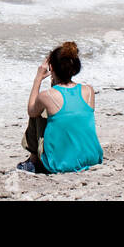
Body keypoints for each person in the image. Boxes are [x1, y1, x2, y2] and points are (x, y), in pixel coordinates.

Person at [18, 42, 103, 173]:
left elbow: (31, 110)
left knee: (37, 114)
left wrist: (38, 78)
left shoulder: (46, 96)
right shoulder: (88, 90)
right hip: (92, 158)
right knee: (55, 114)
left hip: (59, 163)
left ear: (51, 67)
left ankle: (33, 160)